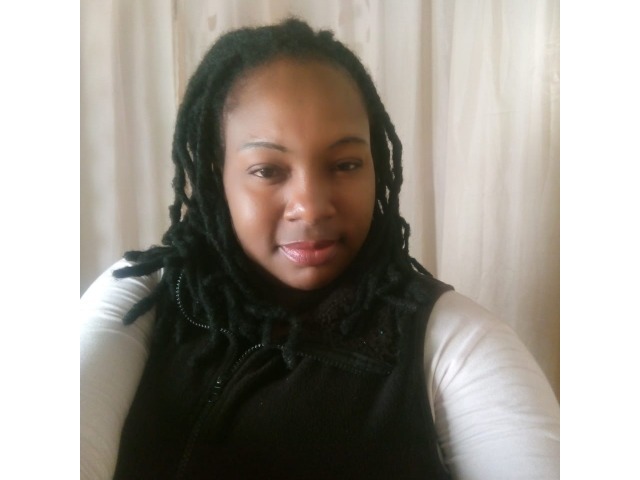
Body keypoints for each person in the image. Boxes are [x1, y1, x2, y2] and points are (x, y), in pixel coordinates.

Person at [80, 18, 559, 479]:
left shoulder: (450, 340)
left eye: (345, 164)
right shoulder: (146, 297)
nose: (310, 207)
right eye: (268, 171)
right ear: (216, 176)